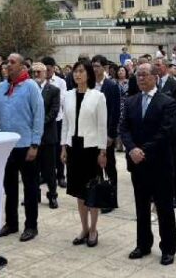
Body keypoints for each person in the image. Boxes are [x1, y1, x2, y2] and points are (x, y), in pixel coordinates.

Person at [120, 63, 176, 265]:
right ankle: (143, 244)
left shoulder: (167, 102)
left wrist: (143, 150)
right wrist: (131, 149)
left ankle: (169, 247)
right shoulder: (130, 101)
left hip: (160, 162)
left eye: (144, 75)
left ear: (155, 77)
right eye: (138, 76)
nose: (141, 78)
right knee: (141, 206)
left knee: (164, 207)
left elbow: (166, 131)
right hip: (138, 164)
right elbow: (124, 128)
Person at [0, 53, 44, 242]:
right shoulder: (1, 87)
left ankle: (31, 225)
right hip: (6, 146)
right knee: (9, 187)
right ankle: (11, 223)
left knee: (30, 187)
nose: (8, 64)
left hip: (26, 145)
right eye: (7, 62)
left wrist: (35, 143)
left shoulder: (31, 87)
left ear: (23, 67)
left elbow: (38, 116)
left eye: (13, 62)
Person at [60, 61, 107, 247]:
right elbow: (65, 123)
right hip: (74, 147)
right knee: (79, 191)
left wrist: (103, 151)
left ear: (88, 74)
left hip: (91, 147)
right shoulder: (68, 96)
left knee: (92, 190)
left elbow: (102, 125)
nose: (77, 75)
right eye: (75, 71)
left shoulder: (98, 96)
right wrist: (63, 147)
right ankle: (84, 228)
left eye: (81, 71)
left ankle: (94, 229)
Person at [91, 55, 120, 213]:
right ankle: (97, 198)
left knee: (109, 166)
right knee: (94, 166)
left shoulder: (111, 86)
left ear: (105, 67)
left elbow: (115, 112)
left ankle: (110, 199)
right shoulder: (89, 85)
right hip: (90, 132)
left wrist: (111, 134)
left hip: (105, 133)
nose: (95, 69)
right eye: (93, 66)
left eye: (97, 66)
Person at [155, 58, 176, 208]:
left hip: (170, 131)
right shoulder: (152, 84)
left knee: (174, 163)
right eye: (155, 65)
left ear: (166, 67)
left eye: (159, 65)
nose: (156, 67)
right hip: (154, 132)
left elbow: (172, 107)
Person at [31, 63, 61, 210]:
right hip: (32, 137)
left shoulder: (54, 90)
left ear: (45, 73)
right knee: (33, 169)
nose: (36, 74)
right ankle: (34, 194)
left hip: (48, 135)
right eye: (34, 72)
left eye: (39, 72)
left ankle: (53, 195)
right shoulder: (28, 89)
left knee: (49, 170)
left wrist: (38, 123)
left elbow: (54, 111)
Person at [42, 56, 68, 189]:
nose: (46, 71)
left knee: (59, 148)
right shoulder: (38, 82)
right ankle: (45, 175)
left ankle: (61, 176)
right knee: (45, 150)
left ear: (53, 68)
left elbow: (62, 100)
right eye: (44, 68)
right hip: (42, 121)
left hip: (57, 120)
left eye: (49, 68)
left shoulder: (60, 82)